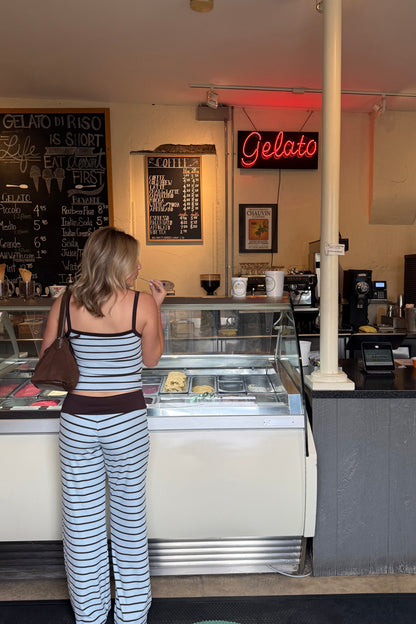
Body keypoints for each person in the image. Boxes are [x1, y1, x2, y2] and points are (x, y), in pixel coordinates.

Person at [39, 227, 167, 624]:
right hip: (126, 422)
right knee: (129, 518)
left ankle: (90, 614)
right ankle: (131, 614)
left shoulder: (65, 303)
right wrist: (158, 307)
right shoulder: (141, 304)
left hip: (78, 421)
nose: (140, 266)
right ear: (118, 263)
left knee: (82, 521)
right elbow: (151, 359)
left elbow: (46, 359)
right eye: (134, 260)